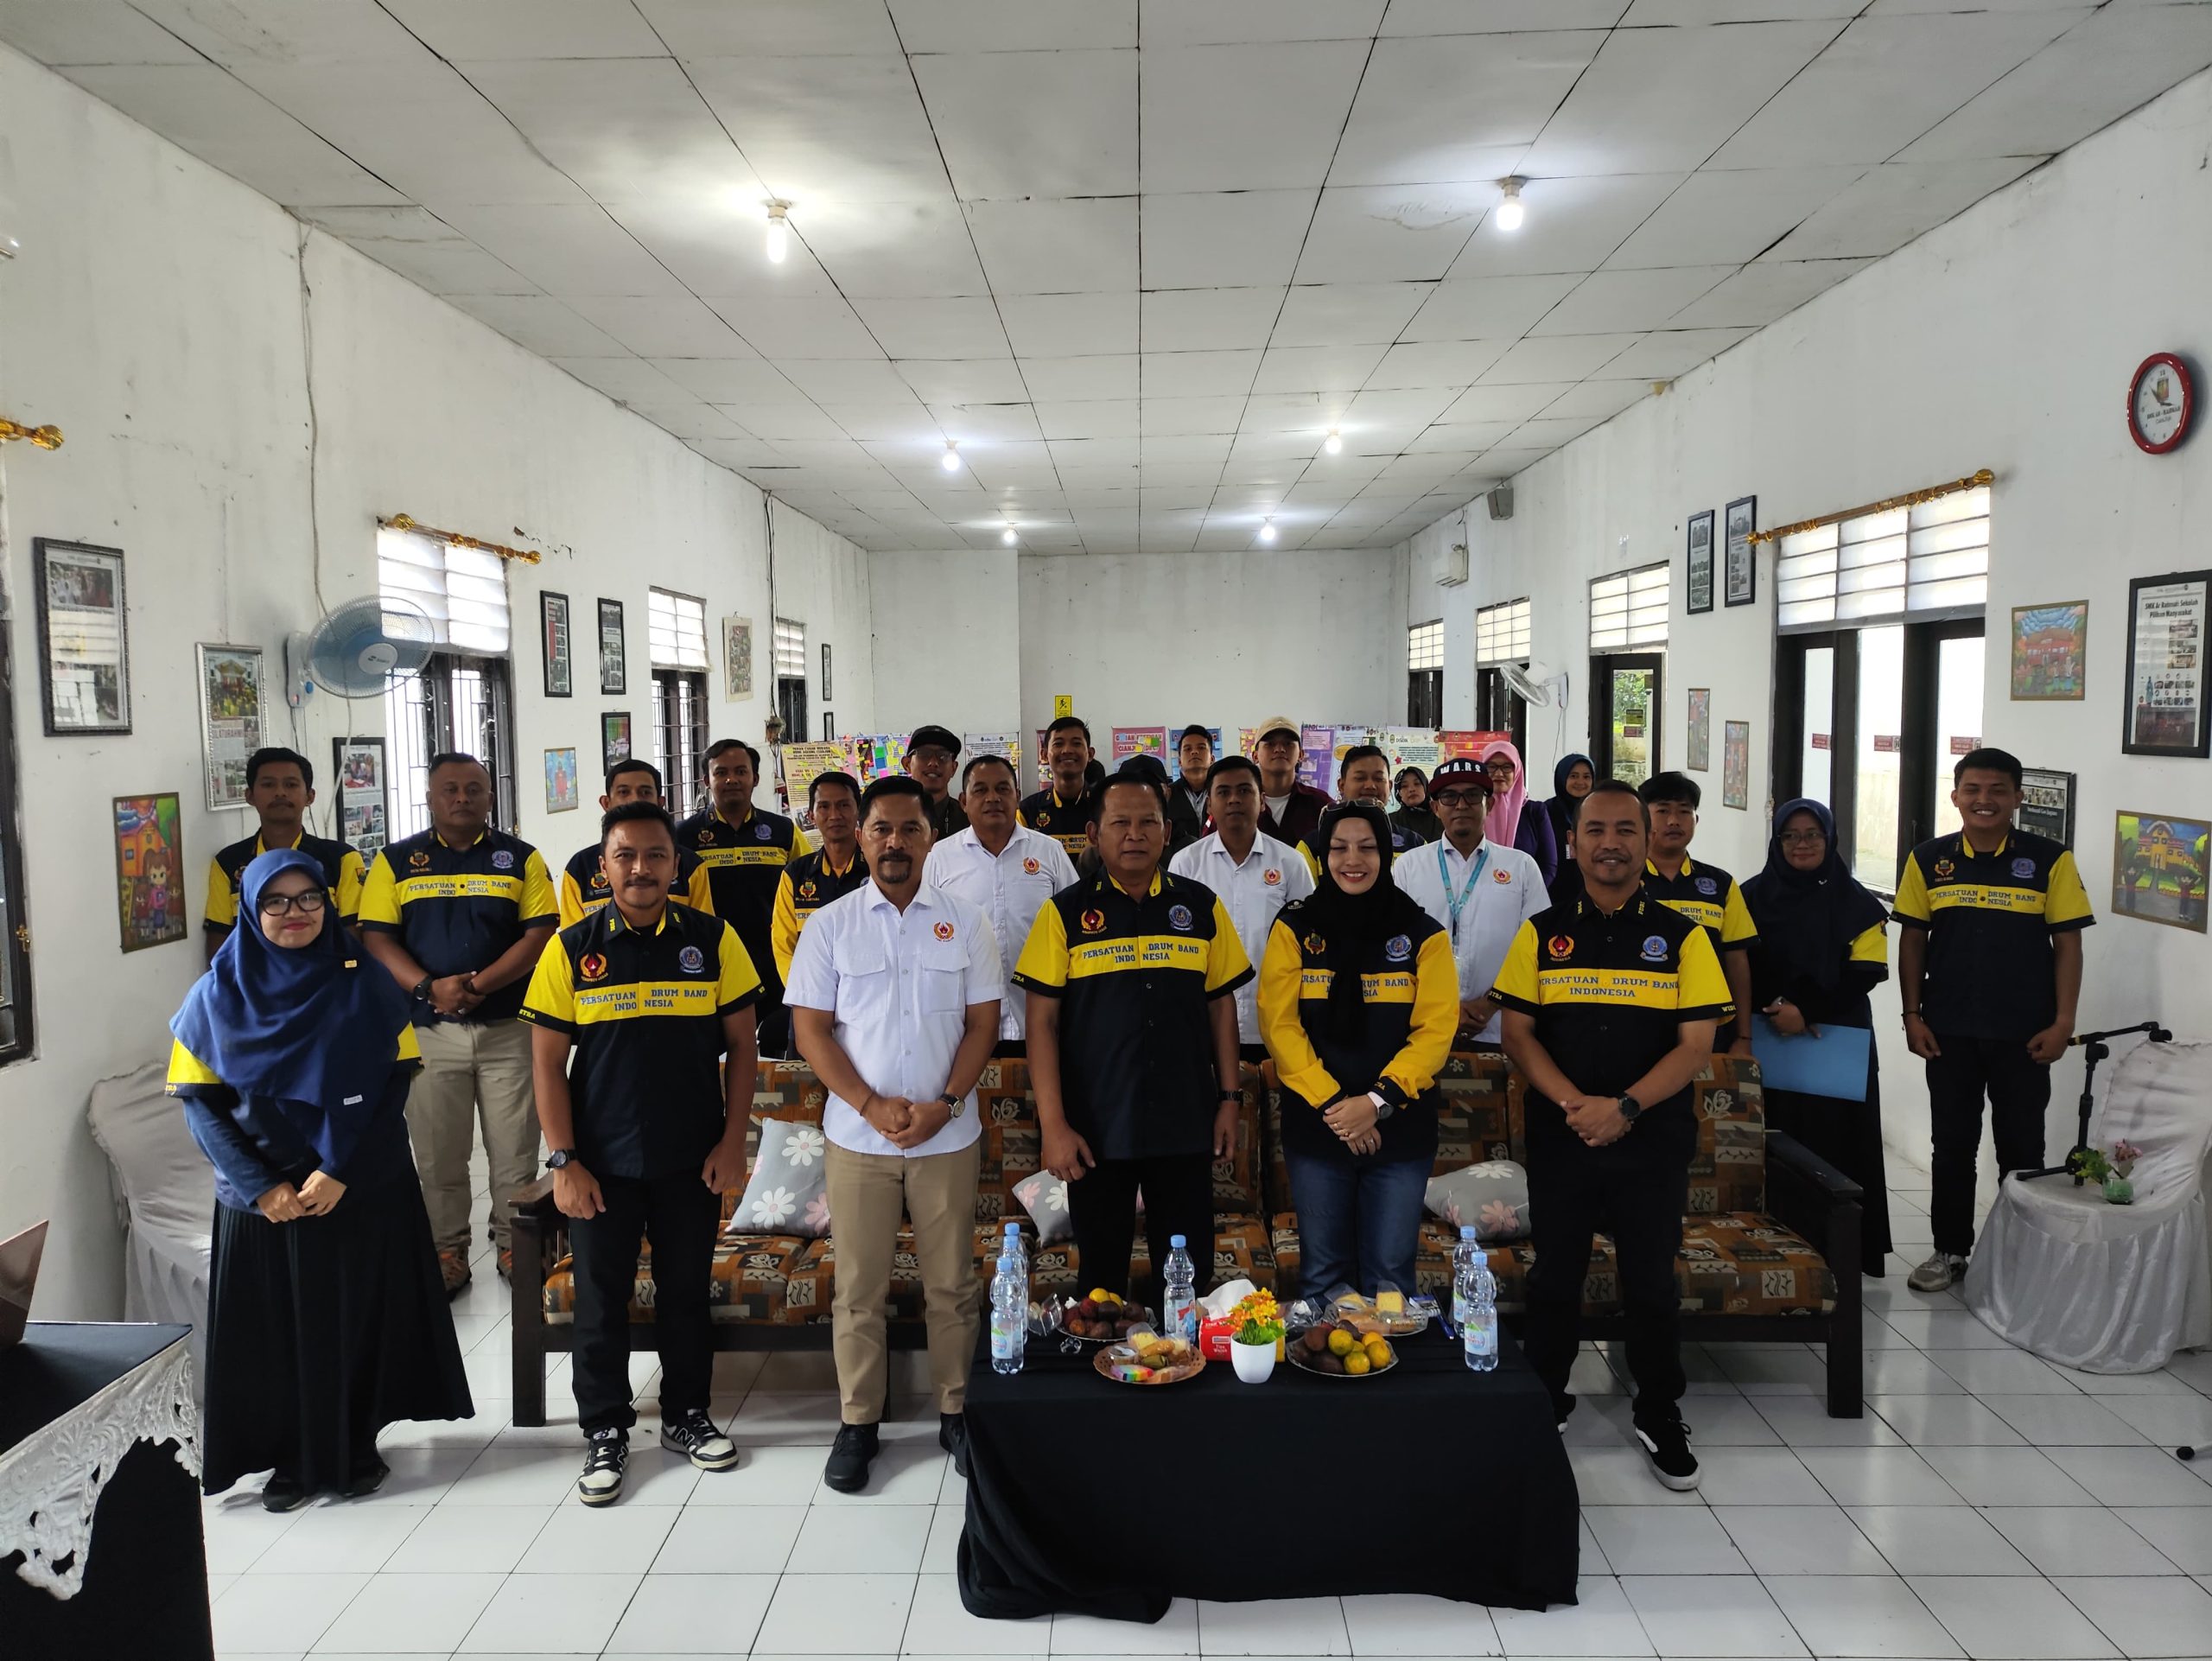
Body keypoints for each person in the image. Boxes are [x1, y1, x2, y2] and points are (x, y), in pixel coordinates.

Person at [169, 848, 472, 1511]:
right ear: (251, 911)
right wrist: (260, 1186)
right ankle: (289, 1461)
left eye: (308, 897)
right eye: (275, 902)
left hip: (358, 1187)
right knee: (272, 1336)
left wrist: (338, 1170)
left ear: (329, 904)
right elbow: (200, 1107)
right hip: (262, 1200)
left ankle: (355, 1447)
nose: (294, 912)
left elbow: (393, 1087)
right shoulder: (213, 997)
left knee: (356, 1322)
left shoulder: (369, 983)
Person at [1493, 779, 1731, 1492]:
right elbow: (1517, 1035)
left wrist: (1624, 1108)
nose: (1610, 844)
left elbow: (1696, 1046)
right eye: (1595, 830)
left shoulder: (1684, 937)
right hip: (1563, 1135)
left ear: (1647, 840)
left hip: (1652, 1139)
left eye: (1626, 830)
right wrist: (1578, 1106)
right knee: (1555, 1277)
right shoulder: (1541, 933)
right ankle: (1547, 1399)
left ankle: (1659, 1411)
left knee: (1652, 1281)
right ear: (1572, 842)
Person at [521, 803, 758, 1505]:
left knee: (686, 1294)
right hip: (601, 1164)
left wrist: (732, 1144)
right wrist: (563, 1162)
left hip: (693, 1158)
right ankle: (604, 1429)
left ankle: (686, 1415)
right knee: (600, 1302)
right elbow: (546, 1063)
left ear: (676, 865)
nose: (641, 868)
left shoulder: (713, 939)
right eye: (625, 856)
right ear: (604, 867)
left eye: (656, 855)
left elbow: (743, 1048)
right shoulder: (571, 948)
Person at [786, 777, 1001, 1494]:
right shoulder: (830, 925)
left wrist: (946, 1103)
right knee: (858, 1288)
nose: (895, 842)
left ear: (931, 837)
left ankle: (956, 1412)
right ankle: (859, 1422)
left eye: (910, 829)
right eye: (882, 829)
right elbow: (811, 1032)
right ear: (859, 835)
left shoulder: (967, 922)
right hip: (858, 1140)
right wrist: (870, 1104)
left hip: (947, 1137)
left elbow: (982, 1024)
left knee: (952, 1285)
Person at [1014, 776, 1251, 1301]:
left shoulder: (1202, 907)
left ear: (1168, 832)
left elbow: (1221, 1009)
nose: (1135, 834)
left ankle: (1183, 1355)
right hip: (1096, 1129)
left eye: (1148, 823)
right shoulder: (1064, 913)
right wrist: (1054, 1125)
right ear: (1094, 833)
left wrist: (1230, 1101)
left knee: (1187, 1282)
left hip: (1185, 1123)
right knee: (1100, 1288)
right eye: (1120, 822)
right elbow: (1041, 1025)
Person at [1894, 748, 2093, 1293]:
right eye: (1973, 790)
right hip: (1948, 1031)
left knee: (2022, 1149)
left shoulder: (2051, 859)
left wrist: (2063, 1022)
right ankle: (1950, 1251)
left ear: (2018, 798)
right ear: (1956, 796)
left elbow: (2068, 946)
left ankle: (2018, 1258)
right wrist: (1912, 1015)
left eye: (1998, 790)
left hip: (2025, 1034)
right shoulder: (1928, 859)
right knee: (1952, 1146)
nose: (1984, 800)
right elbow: (1913, 941)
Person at [359, 754, 556, 1292]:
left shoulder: (521, 859)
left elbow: (539, 935)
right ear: (429, 797)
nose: (462, 797)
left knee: (515, 1150)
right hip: (427, 1031)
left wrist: (480, 985)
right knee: (438, 1154)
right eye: (450, 789)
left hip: (509, 1029)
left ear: (491, 797)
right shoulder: (395, 861)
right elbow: (376, 938)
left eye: (474, 788)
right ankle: (447, 1252)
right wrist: (430, 987)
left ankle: (516, 1246)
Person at [1259, 802, 1458, 1296]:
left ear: (1386, 854)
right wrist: (1336, 1106)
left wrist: (1374, 1103)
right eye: (1339, 848)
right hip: (1318, 1128)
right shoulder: (1294, 927)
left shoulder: (1422, 933)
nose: (1353, 860)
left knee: (1390, 1279)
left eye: (1367, 848)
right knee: (1324, 1276)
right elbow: (1279, 1025)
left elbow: (1434, 1032)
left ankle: (1386, 1352)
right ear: (1323, 856)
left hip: (1400, 1131)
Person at [1743, 799, 1894, 1278]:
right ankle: (1773, 1250)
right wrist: (1778, 1006)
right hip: (1769, 1036)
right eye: (1790, 835)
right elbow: (1738, 961)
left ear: (1830, 839)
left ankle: (1840, 1256)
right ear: (1777, 842)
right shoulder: (1749, 897)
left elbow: (1867, 970)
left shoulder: (1857, 903)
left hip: (1835, 1039)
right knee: (1772, 1140)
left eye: (1813, 834)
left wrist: (1806, 1010)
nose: (1802, 844)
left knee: (1840, 1145)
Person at [924, 754, 1077, 1054]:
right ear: (963, 801)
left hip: (1042, 1025)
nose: (992, 798)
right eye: (980, 790)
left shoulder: (1049, 852)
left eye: (1002, 789)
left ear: (1017, 796)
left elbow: (1074, 927)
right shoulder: (940, 858)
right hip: (964, 1030)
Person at [1169, 755, 1314, 1062]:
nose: (1234, 799)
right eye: (1223, 792)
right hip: (1205, 1022)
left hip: (1276, 1024)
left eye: (1245, 791)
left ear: (1262, 801)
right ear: (1210, 804)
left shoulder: (1290, 863)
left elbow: (1310, 941)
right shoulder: (1185, 864)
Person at [1394, 758, 1547, 1045]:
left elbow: (1536, 949)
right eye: (1449, 797)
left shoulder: (1521, 867)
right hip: (1424, 1029)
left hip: (1501, 1029)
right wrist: (1442, 1006)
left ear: (1490, 804)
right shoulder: (1408, 866)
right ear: (1435, 807)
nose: (1461, 805)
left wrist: (1490, 1003)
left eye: (1473, 795)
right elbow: (1396, 946)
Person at [676, 739, 810, 1057]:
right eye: (721, 772)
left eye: (740, 771)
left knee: (777, 1051)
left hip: (773, 962)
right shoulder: (682, 836)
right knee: (713, 1053)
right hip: (710, 963)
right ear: (706, 780)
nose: (731, 779)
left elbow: (809, 884)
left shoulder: (783, 831)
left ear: (756, 778)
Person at [204, 747, 365, 960]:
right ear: (250, 796)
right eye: (268, 785)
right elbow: (219, 944)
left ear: (310, 796)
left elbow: (354, 940)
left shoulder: (342, 859)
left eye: (291, 785)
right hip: (254, 979)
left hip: (327, 976)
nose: (280, 792)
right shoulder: (228, 863)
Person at [1638, 773, 1758, 1056]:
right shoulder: (1623, 880)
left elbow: (1737, 962)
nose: (1673, 821)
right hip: (1640, 1021)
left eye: (1684, 811)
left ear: (1696, 819)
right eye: (1663, 811)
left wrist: (1743, 1036)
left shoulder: (1721, 885)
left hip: (1709, 1025)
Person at [558, 758, 714, 927]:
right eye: (624, 792)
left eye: (645, 792)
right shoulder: (579, 869)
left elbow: (704, 931)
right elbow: (574, 937)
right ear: (606, 803)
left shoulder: (691, 866)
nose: (635, 800)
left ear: (660, 803)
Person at [771, 771, 869, 985]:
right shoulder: (795, 876)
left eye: (844, 805)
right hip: (809, 995)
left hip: (868, 995)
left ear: (859, 811)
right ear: (811, 816)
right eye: (824, 806)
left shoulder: (877, 870)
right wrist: (803, 993)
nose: (834, 815)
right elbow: (783, 946)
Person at [1300, 745, 1422, 874]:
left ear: (1390, 786)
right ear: (1341, 785)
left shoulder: (1415, 844)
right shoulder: (1312, 846)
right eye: (1360, 778)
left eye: (1379, 779)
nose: (1370, 786)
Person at [1481, 740, 1558, 887]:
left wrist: (1528, 894)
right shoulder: (1474, 810)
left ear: (1517, 770)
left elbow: (1548, 866)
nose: (1499, 773)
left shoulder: (1535, 812)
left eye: (1506, 767)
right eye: (1491, 767)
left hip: (1526, 896)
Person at [1020, 714, 1097, 859]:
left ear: (1090, 754)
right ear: (1044, 755)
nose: (1067, 750)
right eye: (1058, 744)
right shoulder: (1027, 811)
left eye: (1076, 743)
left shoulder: (1105, 805)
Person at [1252, 716, 1332, 844]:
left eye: (1288, 743)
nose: (1279, 749)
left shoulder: (1321, 804)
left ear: (1301, 754)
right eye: (1270, 744)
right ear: (1255, 756)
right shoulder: (1242, 803)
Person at [906, 724, 970, 840]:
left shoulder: (969, 819)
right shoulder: (892, 815)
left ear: (953, 768)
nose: (934, 763)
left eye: (943, 756)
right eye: (924, 754)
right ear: (907, 764)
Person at [1544, 753, 1594, 865]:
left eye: (1586, 777)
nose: (1580, 782)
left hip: (1592, 874)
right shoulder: (1546, 811)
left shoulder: (1598, 811)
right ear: (1562, 778)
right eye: (1574, 776)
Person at [1169, 724, 1213, 845]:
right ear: (1179, 761)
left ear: (1212, 759)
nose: (1194, 752)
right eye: (1188, 749)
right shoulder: (1168, 795)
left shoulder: (1222, 793)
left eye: (1201, 747)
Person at [1391, 766, 1441, 846]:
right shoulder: (1390, 822)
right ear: (1399, 792)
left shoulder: (1442, 818)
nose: (1411, 789)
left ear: (1425, 787)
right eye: (1404, 786)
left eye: (1417, 784)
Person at [759, 714, 790, 814]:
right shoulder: (763, 749)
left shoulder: (774, 748)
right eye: (774, 733)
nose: (774, 737)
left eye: (777, 734)